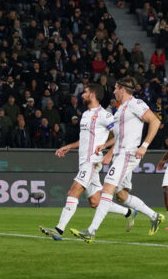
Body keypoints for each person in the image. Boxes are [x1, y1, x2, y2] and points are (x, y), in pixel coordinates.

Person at [70, 77, 165, 242]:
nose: (113, 91)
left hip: (128, 154)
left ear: (122, 89)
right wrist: (105, 146)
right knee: (121, 196)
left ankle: (91, 231)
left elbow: (155, 121)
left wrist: (144, 146)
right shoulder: (121, 109)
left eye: (115, 88)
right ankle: (154, 216)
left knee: (107, 188)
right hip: (119, 154)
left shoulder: (136, 104)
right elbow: (119, 136)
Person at [39, 83, 134, 240]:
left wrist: (109, 153)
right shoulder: (85, 115)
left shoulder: (104, 115)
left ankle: (59, 230)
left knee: (74, 190)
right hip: (83, 161)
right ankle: (128, 212)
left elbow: (121, 136)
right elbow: (84, 140)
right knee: (95, 201)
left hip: (93, 161)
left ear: (93, 95)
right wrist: (69, 146)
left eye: (85, 92)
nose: (82, 95)